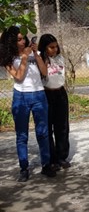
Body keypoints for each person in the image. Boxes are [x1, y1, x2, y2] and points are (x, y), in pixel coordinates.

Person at [0, 26, 56, 182]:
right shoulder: (8, 58)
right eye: (18, 39)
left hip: (39, 95)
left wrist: (36, 54)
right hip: (21, 97)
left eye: (23, 38)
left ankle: (46, 165)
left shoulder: (35, 53)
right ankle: (24, 168)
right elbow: (18, 76)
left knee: (43, 132)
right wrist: (24, 57)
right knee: (22, 135)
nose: (23, 41)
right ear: (11, 42)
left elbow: (45, 72)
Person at [38, 34, 71, 170]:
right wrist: (43, 58)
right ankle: (51, 159)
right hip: (47, 94)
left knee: (62, 126)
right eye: (51, 47)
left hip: (60, 93)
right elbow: (44, 75)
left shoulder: (60, 58)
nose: (55, 49)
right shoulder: (40, 60)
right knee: (48, 127)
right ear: (45, 48)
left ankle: (61, 156)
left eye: (56, 47)